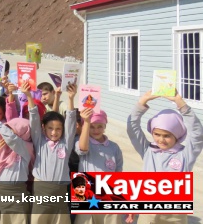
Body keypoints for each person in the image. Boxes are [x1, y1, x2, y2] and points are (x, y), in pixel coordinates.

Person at [127, 90, 203, 224]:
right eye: (157, 134)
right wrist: (143, 101)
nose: (161, 140)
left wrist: (181, 104)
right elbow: (132, 127)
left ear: (177, 135)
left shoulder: (185, 154)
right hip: (148, 211)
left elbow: (197, 134)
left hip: (174, 215)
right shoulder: (148, 150)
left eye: (167, 135)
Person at [23, 81, 77, 224]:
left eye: (58, 129)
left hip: (59, 190)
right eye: (50, 128)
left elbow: (71, 121)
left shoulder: (66, 143)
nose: (54, 132)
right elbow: (34, 118)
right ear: (43, 128)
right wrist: (28, 95)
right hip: (41, 189)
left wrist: (71, 98)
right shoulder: (39, 141)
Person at [0, 107, 34, 224]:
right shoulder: (0, 146)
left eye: (13, 131)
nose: (7, 135)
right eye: (8, 130)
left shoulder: (26, 147)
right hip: (0, 191)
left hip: (17, 193)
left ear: (23, 133)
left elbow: (12, 139)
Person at [75, 108, 124, 224]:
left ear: (105, 126)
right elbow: (82, 148)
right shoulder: (82, 142)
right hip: (86, 193)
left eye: (100, 126)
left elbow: (118, 172)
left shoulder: (114, 147)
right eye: (92, 127)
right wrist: (86, 121)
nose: (96, 130)